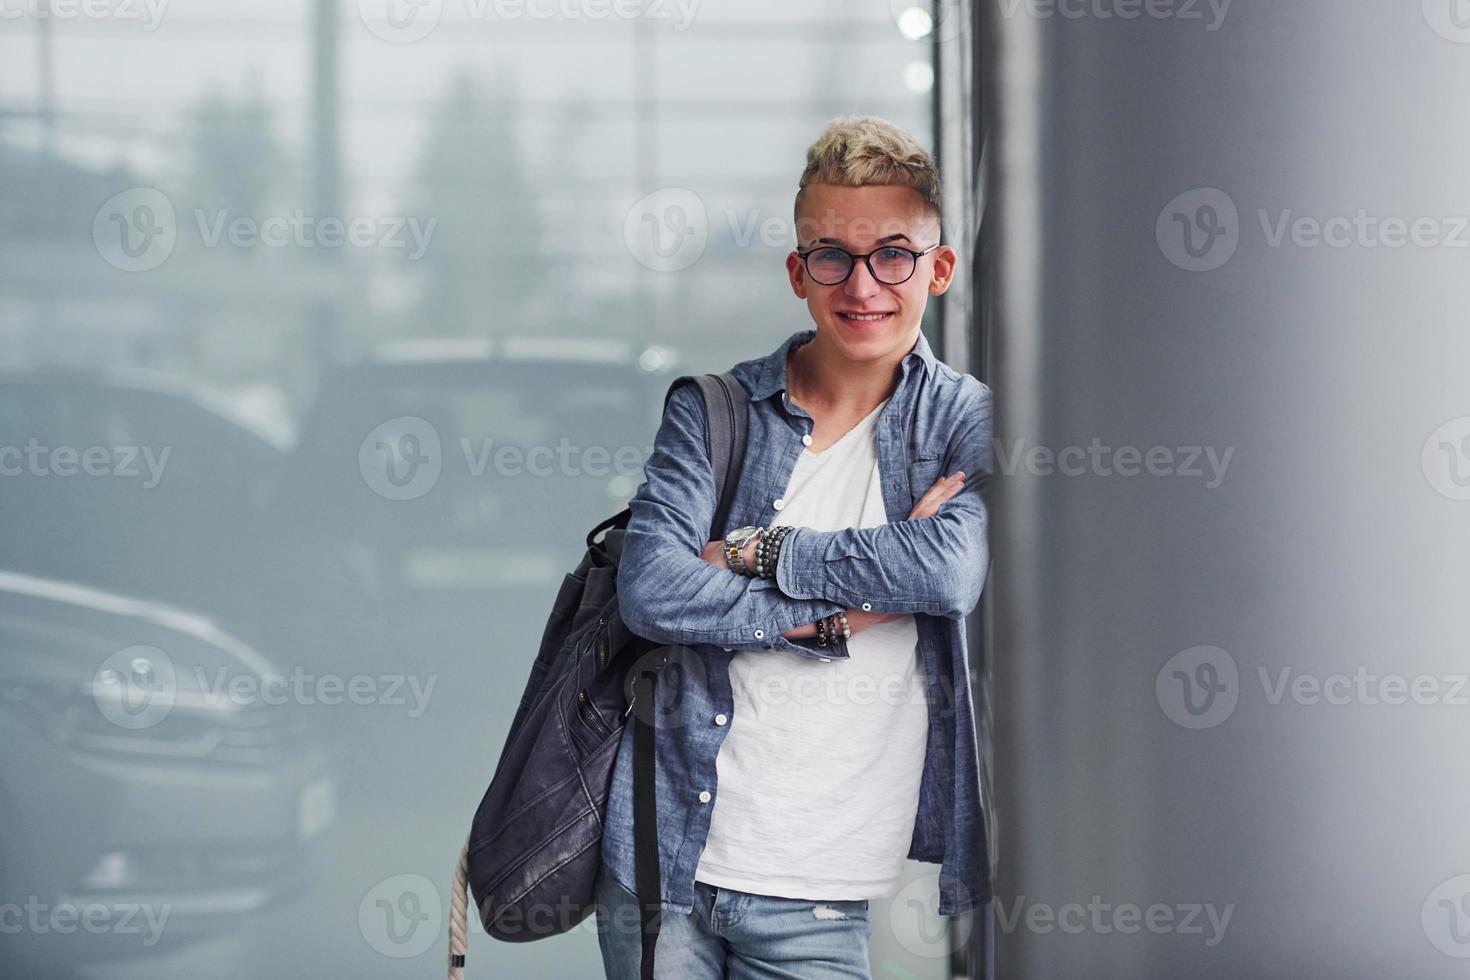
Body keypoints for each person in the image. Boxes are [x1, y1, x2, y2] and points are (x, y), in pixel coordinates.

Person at [596, 114, 994, 979]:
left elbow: (951, 570)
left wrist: (755, 552)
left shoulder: (967, 420)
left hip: (819, 884)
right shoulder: (713, 411)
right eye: (832, 256)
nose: (863, 285)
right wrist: (829, 617)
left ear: (940, 267)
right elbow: (654, 590)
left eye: (894, 253)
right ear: (797, 271)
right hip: (661, 864)